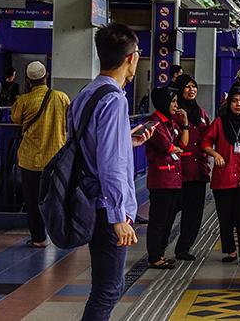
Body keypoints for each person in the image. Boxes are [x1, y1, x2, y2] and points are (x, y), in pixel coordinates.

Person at [75, 23, 154, 320]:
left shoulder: (89, 91)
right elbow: (109, 164)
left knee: (106, 286)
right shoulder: (113, 98)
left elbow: (92, 145)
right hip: (106, 206)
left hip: (91, 197)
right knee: (108, 289)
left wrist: (127, 139)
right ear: (131, 58)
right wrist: (119, 216)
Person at [11, 61, 70, 248]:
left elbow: (16, 119)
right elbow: (70, 121)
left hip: (31, 160)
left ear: (28, 80)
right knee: (59, 198)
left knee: (33, 199)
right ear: (46, 76)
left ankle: (39, 238)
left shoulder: (23, 101)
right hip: (57, 158)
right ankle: (64, 235)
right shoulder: (61, 98)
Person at [202, 84, 240, 266]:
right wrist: (215, 154)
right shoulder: (219, 123)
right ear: (229, 102)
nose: (238, 105)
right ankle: (231, 250)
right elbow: (205, 142)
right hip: (223, 179)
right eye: (234, 101)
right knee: (225, 217)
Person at [145, 87, 189, 270]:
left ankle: (161, 253)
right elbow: (168, 147)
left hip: (174, 178)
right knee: (158, 218)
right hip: (161, 179)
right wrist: (174, 148)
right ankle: (155, 255)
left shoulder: (170, 122)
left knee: (169, 217)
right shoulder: (154, 122)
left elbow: (183, 144)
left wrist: (185, 123)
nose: (176, 105)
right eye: (172, 102)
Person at [172, 74, 210, 261]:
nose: (191, 90)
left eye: (194, 86)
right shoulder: (175, 113)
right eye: (187, 87)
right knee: (170, 211)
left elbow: (208, 137)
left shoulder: (201, 113)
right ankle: (159, 248)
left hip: (198, 171)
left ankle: (183, 248)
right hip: (177, 171)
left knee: (194, 213)